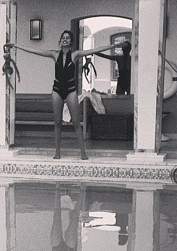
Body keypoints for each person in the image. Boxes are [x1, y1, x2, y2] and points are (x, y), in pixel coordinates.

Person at [8, 31, 114, 160]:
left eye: (67, 38)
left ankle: (83, 152)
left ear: (71, 41)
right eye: (63, 37)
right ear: (60, 40)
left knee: (76, 122)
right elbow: (36, 51)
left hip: (70, 90)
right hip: (57, 90)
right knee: (57, 122)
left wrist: (114, 46)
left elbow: (94, 50)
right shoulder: (54, 54)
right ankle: (57, 152)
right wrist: (16, 46)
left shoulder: (75, 54)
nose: (65, 39)